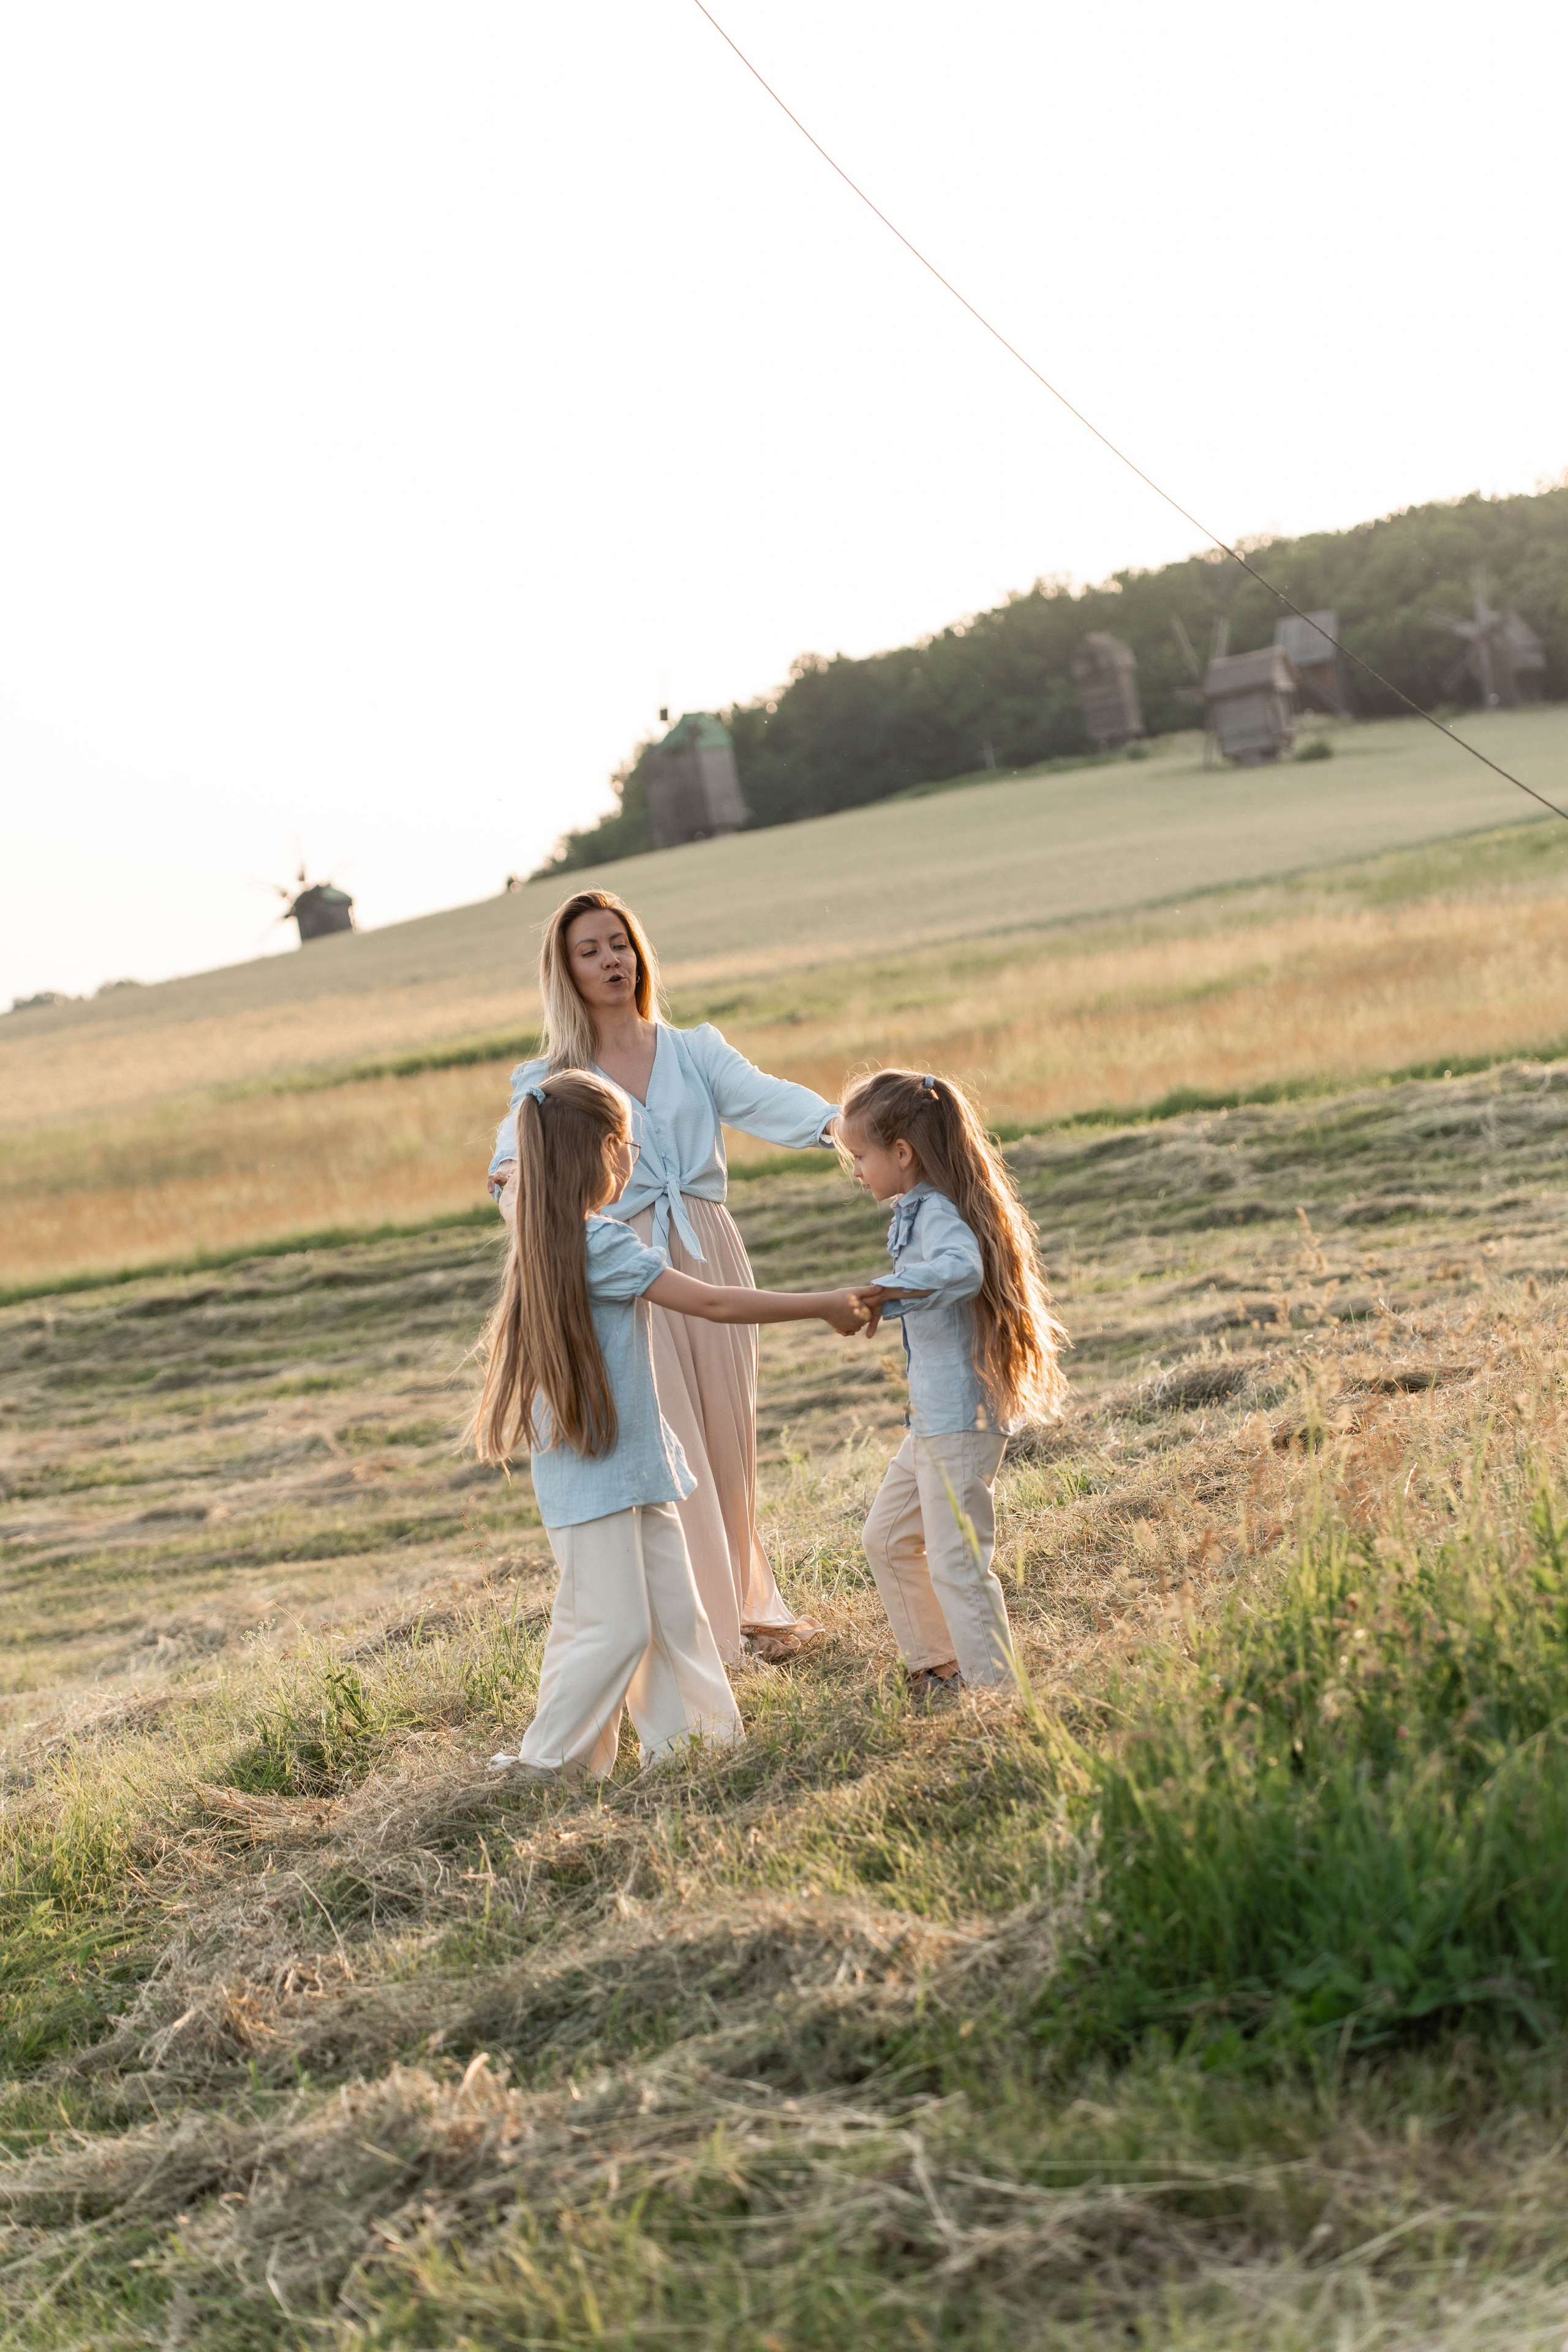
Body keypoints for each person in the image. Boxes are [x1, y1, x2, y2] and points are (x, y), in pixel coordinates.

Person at [472, 1070, 867, 1781]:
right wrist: (823, 1304)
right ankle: (546, 1765)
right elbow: (713, 1304)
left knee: (672, 1617)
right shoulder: (598, 1244)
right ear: (595, 1155)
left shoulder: (560, 1235)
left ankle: (697, 1747)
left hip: (637, 1461)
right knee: (613, 1626)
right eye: (622, 1143)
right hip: (599, 1472)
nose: (631, 1159)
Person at [488, 888, 840, 1664]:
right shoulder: (547, 1076)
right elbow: (510, 1166)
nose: (612, 958)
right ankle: (706, 1635)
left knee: (727, 1434)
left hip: (710, 1247)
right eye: (591, 949)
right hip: (621, 1264)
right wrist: (527, 1196)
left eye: (620, 942)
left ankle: (749, 1612)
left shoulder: (694, 1048)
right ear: (566, 970)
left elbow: (764, 1097)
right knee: (670, 1440)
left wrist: (840, 1124)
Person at [841, 1069, 1068, 1699]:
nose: (855, 1171)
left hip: (958, 1422)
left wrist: (890, 1291)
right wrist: (884, 1299)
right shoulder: (923, 1209)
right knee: (886, 1538)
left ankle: (997, 1694)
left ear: (902, 1154)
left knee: (956, 1563)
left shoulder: (938, 1214)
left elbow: (959, 1270)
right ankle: (939, 1666)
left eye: (859, 1157)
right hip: (934, 1422)